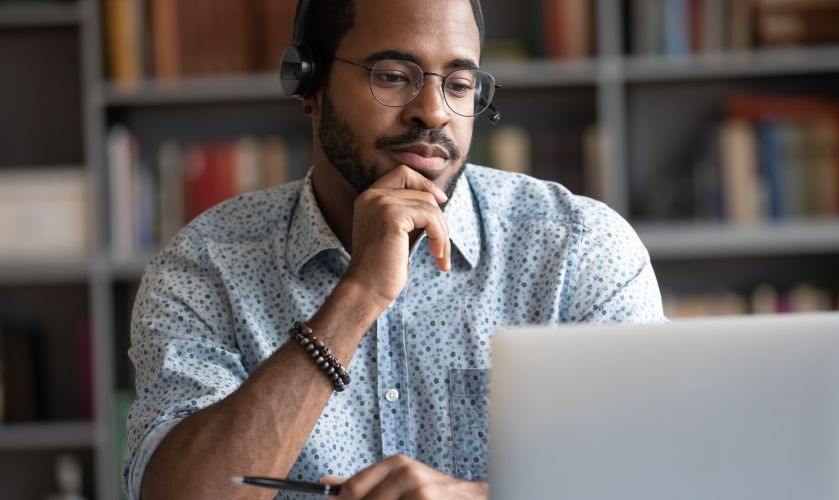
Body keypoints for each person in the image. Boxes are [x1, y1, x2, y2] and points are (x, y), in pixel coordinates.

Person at [124, 0, 666, 498]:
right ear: (308, 83)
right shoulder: (205, 266)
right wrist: (357, 296)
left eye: (458, 83)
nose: (432, 112)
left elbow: (662, 473)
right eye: (392, 76)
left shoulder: (579, 250)